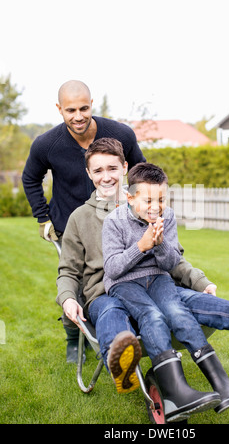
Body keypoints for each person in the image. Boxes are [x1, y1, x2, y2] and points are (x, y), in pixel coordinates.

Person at [57, 139, 229, 419]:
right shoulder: (80, 218)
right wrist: (68, 298)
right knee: (111, 313)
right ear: (89, 174)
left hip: (155, 282)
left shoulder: (150, 203)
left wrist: (201, 281)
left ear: (124, 168)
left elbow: (174, 259)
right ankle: (120, 360)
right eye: (98, 170)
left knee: (190, 300)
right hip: (106, 292)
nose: (106, 176)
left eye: (112, 168)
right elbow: (68, 270)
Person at [22, 80, 146, 362]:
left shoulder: (120, 134)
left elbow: (140, 170)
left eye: (84, 108)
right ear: (59, 109)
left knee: (125, 273)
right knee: (74, 283)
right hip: (70, 223)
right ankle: (73, 339)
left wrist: (142, 203)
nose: (78, 116)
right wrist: (43, 218)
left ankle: (122, 327)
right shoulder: (46, 145)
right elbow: (30, 178)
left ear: (92, 105)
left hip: (117, 220)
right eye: (70, 110)